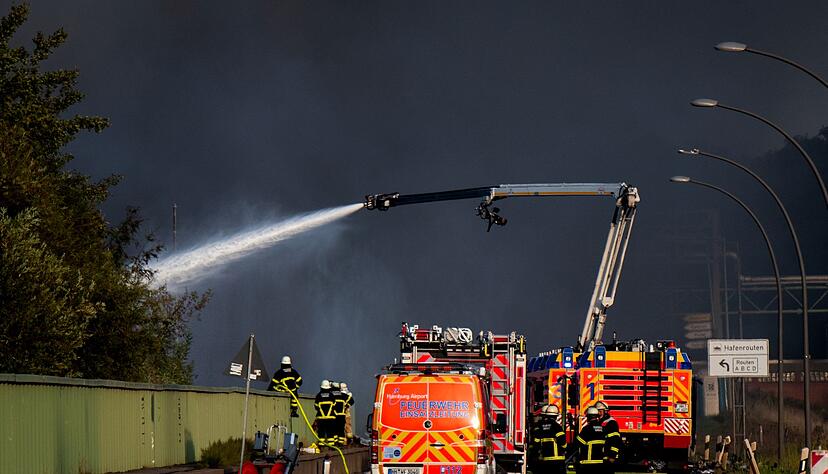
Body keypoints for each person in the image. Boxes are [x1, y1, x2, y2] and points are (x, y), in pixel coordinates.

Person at [531, 404, 567, 474]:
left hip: (545, 460)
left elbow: (536, 443)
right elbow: (563, 443)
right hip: (557, 461)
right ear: (556, 416)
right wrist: (564, 448)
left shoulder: (540, 427)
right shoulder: (557, 426)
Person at [576, 407, 606, 473]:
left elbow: (578, 443)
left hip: (588, 463)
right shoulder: (603, 429)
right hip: (600, 462)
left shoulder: (587, 429)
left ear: (588, 417)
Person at [595, 401, 621, 472]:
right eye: (597, 411)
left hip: (608, 457)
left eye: (600, 411)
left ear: (606, 412)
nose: (598, 414)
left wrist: (612, 455)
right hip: (600, 457)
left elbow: (616, 440)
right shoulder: (598, 423)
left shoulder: (611, 423)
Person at [314, 380, 336, 447]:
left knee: (321, 432)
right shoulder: (332, 396)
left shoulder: (318, 396)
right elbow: (334, 405)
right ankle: (331, 446)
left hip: (321, 418)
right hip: (330, 418)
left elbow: (316, 406)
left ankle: (321, 445)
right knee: (330, 432)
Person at [331, 381, 346, 446]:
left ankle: (335, 443)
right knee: (341, 430)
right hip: (342, 416)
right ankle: (340, 443)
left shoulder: (331, 395)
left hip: (334, 415)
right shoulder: (343, 395)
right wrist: (346, 405)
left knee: (334, 430)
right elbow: (352, 401)